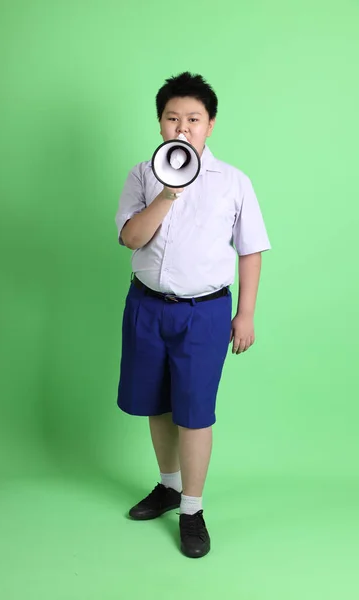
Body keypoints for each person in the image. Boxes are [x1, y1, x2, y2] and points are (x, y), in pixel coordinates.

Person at [114, 71, 271, 559]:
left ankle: (192, 509)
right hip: (146, 305)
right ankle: (167, 486)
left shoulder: (234, 182)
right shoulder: (143, 175)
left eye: (193, 120)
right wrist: (168, 190)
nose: (182, 128)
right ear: (160, 123)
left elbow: (250, 250)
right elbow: (131, 238)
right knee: (157, 404)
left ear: (210, 125)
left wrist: (245, 313)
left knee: (195, 412)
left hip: (204, 313)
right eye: (172, 118)